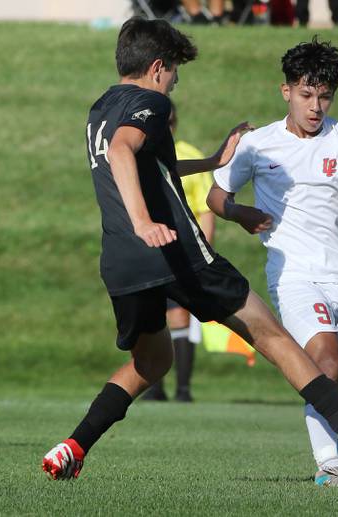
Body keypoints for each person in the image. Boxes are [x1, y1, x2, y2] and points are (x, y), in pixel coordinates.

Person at [40, 17, 338, 485]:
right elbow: (125, 151)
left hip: (121, 264)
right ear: (158, 68)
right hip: (175, 251)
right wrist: (145, 222)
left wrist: (211, 162)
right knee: (274, 337)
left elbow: (146, 162)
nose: (175, 82)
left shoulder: (100, 108)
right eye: (176, 72)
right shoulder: (151, 102)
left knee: (150, 363)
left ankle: (74, 445)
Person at [208, 37, 338, 487]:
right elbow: (217, 195)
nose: (315, 106)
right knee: (325, 361)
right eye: (306, 95)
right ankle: (331, 467)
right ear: (286, 92)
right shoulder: (258, 145)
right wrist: (239, 214)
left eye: (324, 96)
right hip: (295, 275)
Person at [141, 102, 215, 403]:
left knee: (181, 316)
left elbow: (204, 209)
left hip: (183, 250)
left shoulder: (189, 156)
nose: (166, 127)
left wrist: (204, 251)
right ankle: (154, 387)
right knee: (152, 318)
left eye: (170, 121)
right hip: (149, 249)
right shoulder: (140, 153)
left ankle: (183, 389)